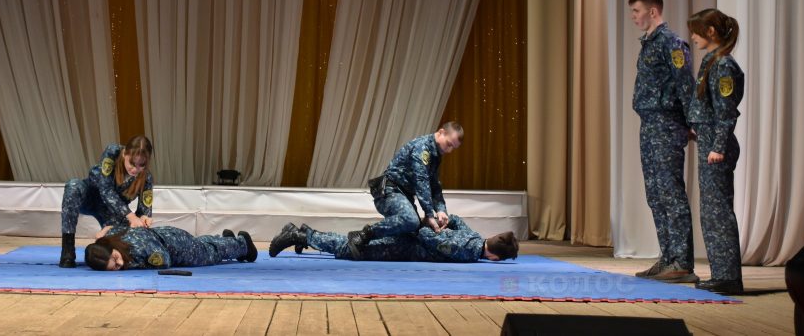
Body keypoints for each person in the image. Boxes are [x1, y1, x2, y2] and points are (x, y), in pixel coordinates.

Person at [627, 0, 697, 283]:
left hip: (667, 124)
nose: (633, 17)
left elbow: (685, 84)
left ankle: (681, 261)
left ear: (652, 11)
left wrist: (692, 122)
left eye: (636, 11)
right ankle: (668, 257)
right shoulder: (649, 44)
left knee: (670, 192)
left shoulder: (672, 43)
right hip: (650, 125)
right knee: (655, 194)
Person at [687, 8, 745, 295]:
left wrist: (718, 147)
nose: (692, 37)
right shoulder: (712, 61)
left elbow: (726, 111)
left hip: (716, 148)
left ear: (710, 31)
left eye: (696, 31)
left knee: (718, 213)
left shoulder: (723, 65)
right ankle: (721, 273)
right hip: (709, 143)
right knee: (711, 213)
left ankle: (728, 277)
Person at [345, 122, 463, 259]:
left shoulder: (435, 155)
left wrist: (441, 210)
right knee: (410, 220)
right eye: (449, 144)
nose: (449, 150)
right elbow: (421, 181)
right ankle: (362, 235)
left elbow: (434, 185)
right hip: (390, 191)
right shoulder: (422, 147)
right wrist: (429, 214)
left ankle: (362, 249)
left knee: (414, 234)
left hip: (403, 195)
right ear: (441, 132)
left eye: (453, 148)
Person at [59, 135, 155, 268]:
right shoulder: (113, 152)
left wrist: (144, 218)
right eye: (132, 163)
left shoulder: (147, 178)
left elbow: (144, 210)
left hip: (112, 213)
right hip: (91, 196)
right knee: (73, 186)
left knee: (124, 237)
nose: (135, 169)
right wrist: (131, 216)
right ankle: (67, 251)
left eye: (141, 165)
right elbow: (105, 189)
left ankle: (106, 257)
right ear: (124, 154)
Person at [269, 216, 518, 263]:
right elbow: (429, 240)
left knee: (352, 245)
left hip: (403, 240)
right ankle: (300, 235)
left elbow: (454, 220)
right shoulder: (468, 251)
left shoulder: (474, 236)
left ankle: (305, 233)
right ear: (495, 257)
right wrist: (427, 226)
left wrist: (439, 221)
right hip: (402, 245)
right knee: (350, 249)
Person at [84, 225, 256, 270]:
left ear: (111, 248)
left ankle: (243, 245)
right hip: (168, 235)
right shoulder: (111, 238)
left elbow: (164, 261)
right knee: (202, 244)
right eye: (114, 268)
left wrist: (134, 265)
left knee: (209, 254)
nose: (120, 264)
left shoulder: (140, 248)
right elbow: (106, 230)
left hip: (177, 247)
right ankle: (226, 239)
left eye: (116, 259)